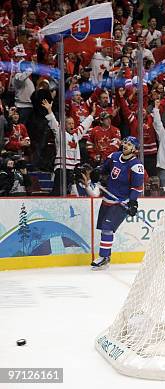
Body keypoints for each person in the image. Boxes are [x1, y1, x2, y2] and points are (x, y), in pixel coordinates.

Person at [91, 136, 145, 270]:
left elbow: (137, 187)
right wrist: (97, 172)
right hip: (108, 199)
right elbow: (103, 169)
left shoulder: (136, 165)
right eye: (125, 143)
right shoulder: (114, 156)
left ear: (134, 149)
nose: (125, 145)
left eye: (129, 144)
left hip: (121, 202)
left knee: (107, 227)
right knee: (104, 229)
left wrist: (133, 202)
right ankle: (105, 257)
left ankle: (104, 258)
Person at [42, 99, 94, 195]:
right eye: (69, 123)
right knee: (58, 192)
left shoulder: (76, 135)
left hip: (73, 168)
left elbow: (84, 125)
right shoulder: (60, 133)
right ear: (64, 125)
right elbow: (53, 122)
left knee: (71, 192)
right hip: (62, 167)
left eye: (73, 123)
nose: (72, 125)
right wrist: (49, 110)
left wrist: (92, 115)